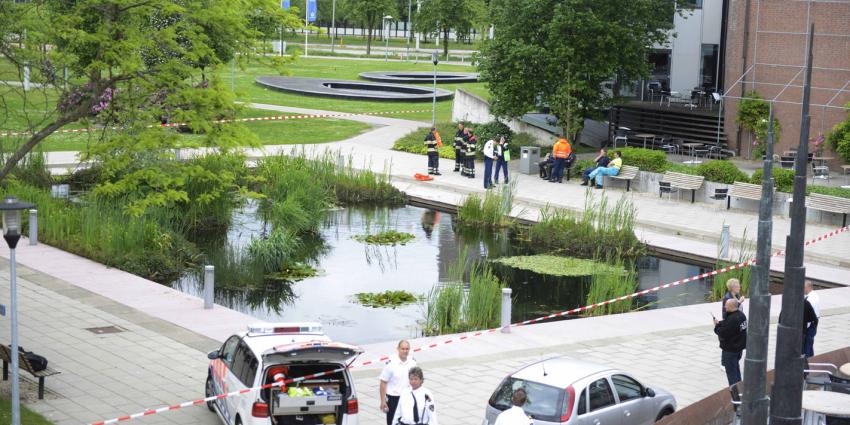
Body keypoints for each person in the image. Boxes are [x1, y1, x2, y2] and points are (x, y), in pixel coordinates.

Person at [380, 340, 417, 425]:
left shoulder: (413, 362)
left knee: (408, 420)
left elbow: (416, 380)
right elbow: (383, 382)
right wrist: (383, 401)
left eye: (407, 349)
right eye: (403, 349)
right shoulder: (391, 364)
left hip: (407, 397)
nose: (405, 351)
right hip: (393, 398)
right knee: (392, 422)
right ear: (398, 349)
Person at [713, 298, 747, 386]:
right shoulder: (741, 315)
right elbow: (728, 324)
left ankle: (735, 394)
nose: (724, 307)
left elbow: (722, 333)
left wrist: (716, 327)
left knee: (731, 373)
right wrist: (720, 323)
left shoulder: (732, 319)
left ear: (731, 307)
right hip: (739, 348)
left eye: (726, 305)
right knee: (736, 369)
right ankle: (740, 388)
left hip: (730, 350)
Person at [803, 280, 820, 358]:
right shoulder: (811, 296)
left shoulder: (811, 299)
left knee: (807, 345)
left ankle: (807, 362)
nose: (803, 289)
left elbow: (809, 315)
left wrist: (805, 328)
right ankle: (812, 359)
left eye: (804, 288)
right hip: (813, 323)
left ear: (808, 287)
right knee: (810, 344)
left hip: (810, 325)